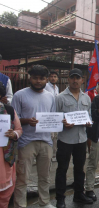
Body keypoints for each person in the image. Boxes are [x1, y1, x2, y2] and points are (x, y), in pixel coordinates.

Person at [11, 65, 56, 208]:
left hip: (46, 142)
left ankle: (45, 202)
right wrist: (26, 121)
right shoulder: (19, 95)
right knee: (23, 178)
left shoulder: (50, 96)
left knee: (45, 177)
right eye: (35, 78)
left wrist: (58, 123)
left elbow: (52, 117)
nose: (38, 81)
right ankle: (20, 205)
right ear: (30, 78)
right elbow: (14, 119)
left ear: (46, 80)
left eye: (41, 78)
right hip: (26, 142)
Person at [54, 69, 93, 208]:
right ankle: (60, 198)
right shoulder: (60, 97)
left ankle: (78, 195)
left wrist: (89, 122)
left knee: (79, 168)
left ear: (82, 80)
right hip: (65, 139)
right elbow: (54, 118)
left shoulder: (86, 98)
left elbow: (89, 115)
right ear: (68, 80)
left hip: (81, 139)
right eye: (72, 78)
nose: (75, 81)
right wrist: (63, 123)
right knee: (62, 169)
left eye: (78, 78)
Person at [0, 81, 22, 208]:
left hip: (4, 157)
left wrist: (13, 134)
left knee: (4, 193)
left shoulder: (8, 110)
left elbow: (19, 130)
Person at [44, 70, 59, 160]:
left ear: (57, 78)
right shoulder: (46, 86)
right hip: (47, 114)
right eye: (51, 76)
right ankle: (46, 154)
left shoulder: (56, 88)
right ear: (48, 78)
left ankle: (54, 154)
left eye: (55, 77)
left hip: (55, 114)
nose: (53, 78)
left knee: (55, 136)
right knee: (49, 134)